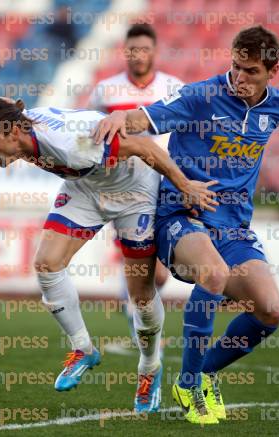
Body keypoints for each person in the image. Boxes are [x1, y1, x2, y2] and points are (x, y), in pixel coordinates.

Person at [0, 91, 218, 413]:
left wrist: (185, 187)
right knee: (46, 263)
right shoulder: (19, 127)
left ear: (11, 132)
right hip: (87, 189)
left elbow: (145, 146)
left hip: (134, 192)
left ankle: (149, 368)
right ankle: (83, 349)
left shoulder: (72, 145)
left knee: (140, 295)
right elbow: (14, 109)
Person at [92, 25, 279, 425]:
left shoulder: (278, 108)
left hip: (234, 229)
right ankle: (187, 383)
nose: (239, 78)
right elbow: (146, 116)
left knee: (270, 310)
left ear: (273, 71)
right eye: (235, 67)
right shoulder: (201, 96)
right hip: (181, 216)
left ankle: (206, 373)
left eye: (250, 71)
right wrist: (118, 121)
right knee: (213, 274)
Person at [87, 23, 183, 351]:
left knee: (159, 276)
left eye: (144, 49)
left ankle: (131, 302)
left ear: (154, 52)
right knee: (143, 266)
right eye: (132, 50)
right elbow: (90, 134)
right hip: (124, 185)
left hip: (165, 182)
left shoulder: (173, 87)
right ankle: (139, 317)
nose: (138, 55)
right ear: (125, 52)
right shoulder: (105, 90)